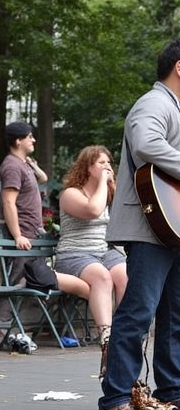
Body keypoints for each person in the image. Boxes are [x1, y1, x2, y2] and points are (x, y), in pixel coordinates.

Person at [97, 37, 180, 410]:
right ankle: (115, 398)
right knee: (137, 313)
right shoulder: (153, 103)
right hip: (150, 228)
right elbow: (146, 143)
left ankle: (172, 389)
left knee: (177, 316)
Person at [0, 122, 89, 345]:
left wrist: (31, 163)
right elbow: (8, 202)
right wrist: (18, 234)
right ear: (18, 141)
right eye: (29, 137)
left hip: (32, 234)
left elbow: (43, 179)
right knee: (14, 282)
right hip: (22, 236)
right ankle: (3, 331)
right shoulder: (11, 166)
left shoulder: (23, 164)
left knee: (28, 281)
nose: (34, 140)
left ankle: (10, 329)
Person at [55, 145, 128, 376]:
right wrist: (103, 186)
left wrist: (114, 189)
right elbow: (94, 210)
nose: (107, 167)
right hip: (75, 253)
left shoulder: (107, 191)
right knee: (102, 277)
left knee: (127, 275)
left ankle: (127, 336)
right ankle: (107, 341)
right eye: (101, 163)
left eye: (109, 163)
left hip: (103, 251)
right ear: (87, 167)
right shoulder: (70, 193)